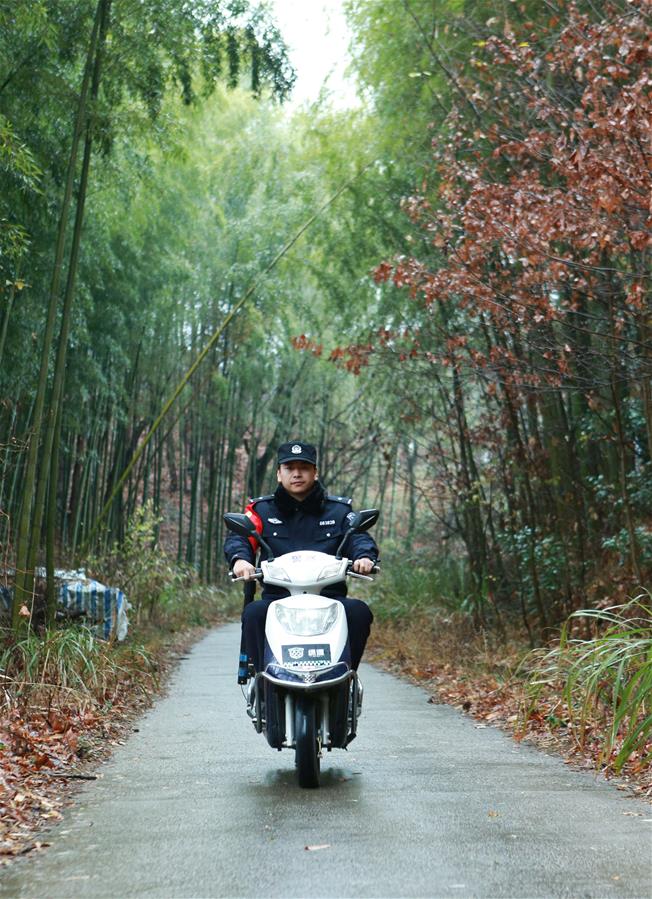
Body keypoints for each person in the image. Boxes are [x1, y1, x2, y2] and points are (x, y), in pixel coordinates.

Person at [224, 440, 378, 674]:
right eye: (289, 468)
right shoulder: (260, 510)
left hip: (329, 598)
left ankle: (345, 676)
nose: (297, 474)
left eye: (304, 467)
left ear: (315, 473)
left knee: (358, 612)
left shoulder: (339, 511)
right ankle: (264, 681)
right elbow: (240, 538)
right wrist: (240, 560)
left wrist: (364, 557)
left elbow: (357, 537)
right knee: (253, 614)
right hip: (278, 599)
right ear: (279, 474)